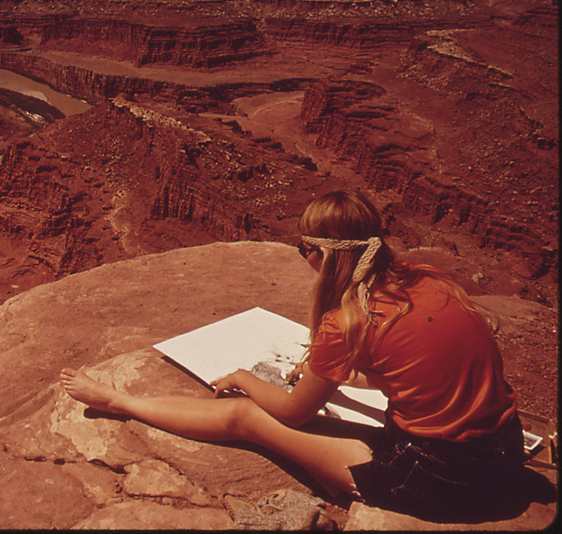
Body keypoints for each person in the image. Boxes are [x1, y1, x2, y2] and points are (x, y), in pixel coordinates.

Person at [60, 189, 525, 520]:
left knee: (244, 417)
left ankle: (117, 402)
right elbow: (405, 370)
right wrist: (333, 373)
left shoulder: (347, 321)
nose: (302, 256)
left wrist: (244, 377)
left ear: (324, 255)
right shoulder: (430, 282)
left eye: (304, 247)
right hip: (502, 453)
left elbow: (293, 412)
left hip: (439, 477)